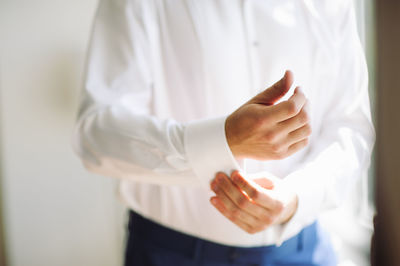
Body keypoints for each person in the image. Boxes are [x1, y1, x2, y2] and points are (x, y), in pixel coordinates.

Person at [73, 0, 375, 265]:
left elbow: (351, 128)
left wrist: (298, 196)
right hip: (170, 252)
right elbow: (96, 136)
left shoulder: (329, 5)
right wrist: (223, 140)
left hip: (302, 250)